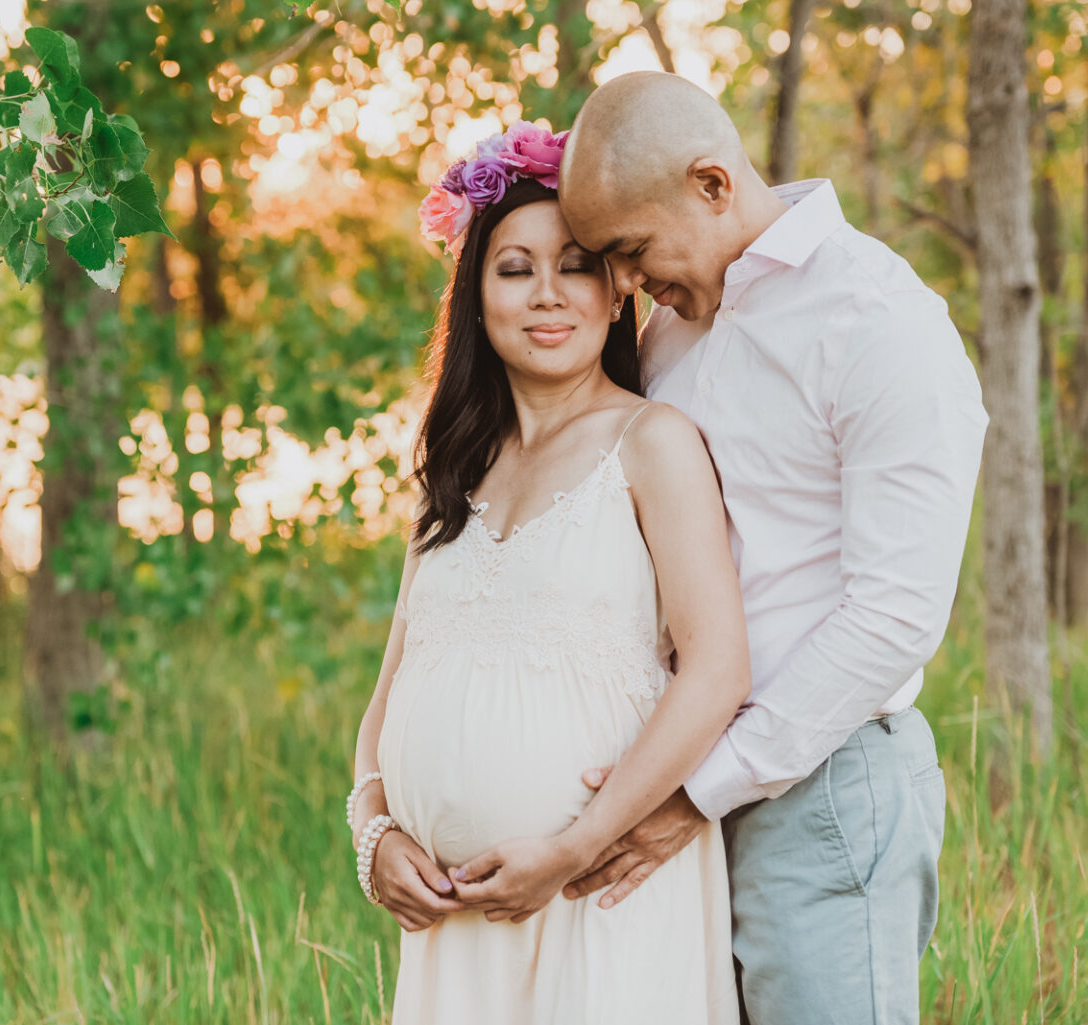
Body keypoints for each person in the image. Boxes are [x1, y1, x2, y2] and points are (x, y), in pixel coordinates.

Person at [556, 71, 989, 1024]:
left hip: (822, 788)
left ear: (712, 182)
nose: (624, 284)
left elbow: (894, 615)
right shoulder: (671, 333)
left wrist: (696, 792)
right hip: (683, 787)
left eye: (631, 250)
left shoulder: (877, 321)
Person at [344, 121, 750, 1024]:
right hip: (455, 923)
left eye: (574, 265)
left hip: (596, 899)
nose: (546, 294)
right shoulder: (452, 475)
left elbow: (719, 670)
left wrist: (576, 846)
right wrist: (371, 831)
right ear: (476, 298)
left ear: (616, 294)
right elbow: (385, 704)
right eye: (514, 269)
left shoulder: (654, 443)